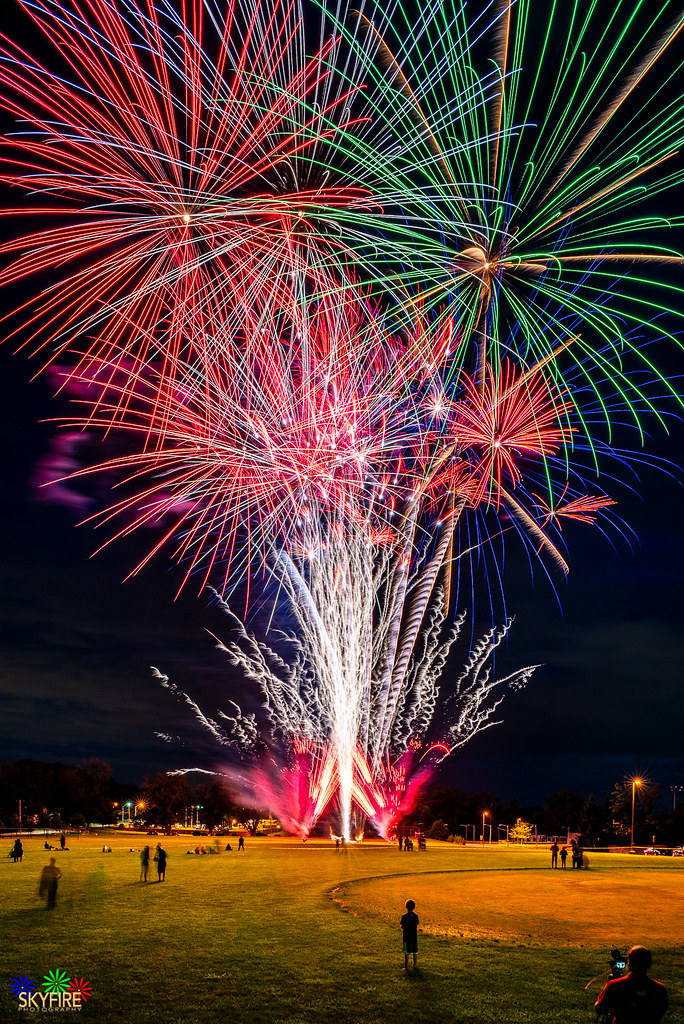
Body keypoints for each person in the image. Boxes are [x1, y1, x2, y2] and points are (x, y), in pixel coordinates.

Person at [595, 946, 668, 1024]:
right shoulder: (659, 989)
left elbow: (600, 1009)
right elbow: (661, 1011)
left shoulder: (615, 985)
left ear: (629, 964)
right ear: (649, 964)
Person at [400, 899, 419, 971]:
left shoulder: (404, 916)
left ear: (406, 906)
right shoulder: (415, 916)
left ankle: (406, 966)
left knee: (406, 952)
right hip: (414, 935)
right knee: (414, 951)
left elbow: (402, 926)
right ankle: (414, 965)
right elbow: (416, 925)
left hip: (406, 936)